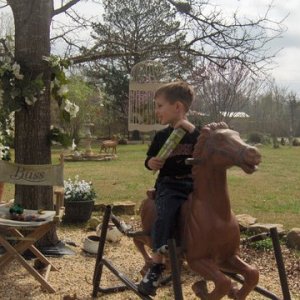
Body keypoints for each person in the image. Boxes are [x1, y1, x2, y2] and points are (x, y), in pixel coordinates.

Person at [138, 81, 200, 296]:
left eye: (160, 106)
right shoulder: (161, 136)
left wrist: (190, 129)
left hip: (193, 184)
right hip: (170, 184)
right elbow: (148, 159)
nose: (157, 111)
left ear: (178, 107)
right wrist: (151, 163)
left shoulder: (196, 135)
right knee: (165, 213)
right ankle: (156, 264)